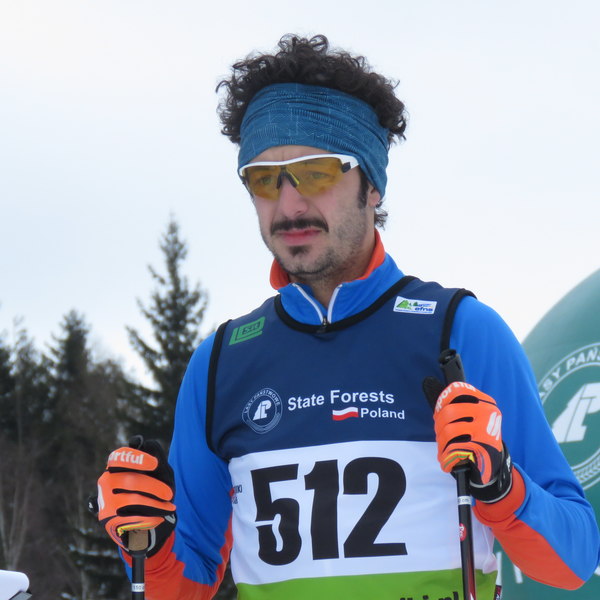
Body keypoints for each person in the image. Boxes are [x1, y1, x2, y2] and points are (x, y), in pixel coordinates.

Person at [93, 34, 600, 600]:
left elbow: (574, 561)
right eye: (264, 180)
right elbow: (182, 587)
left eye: (316, 173)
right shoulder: (220, 363)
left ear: (372, 186)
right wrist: (149, 538)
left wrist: (501, 484)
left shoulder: (460, 331)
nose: (289, 206)